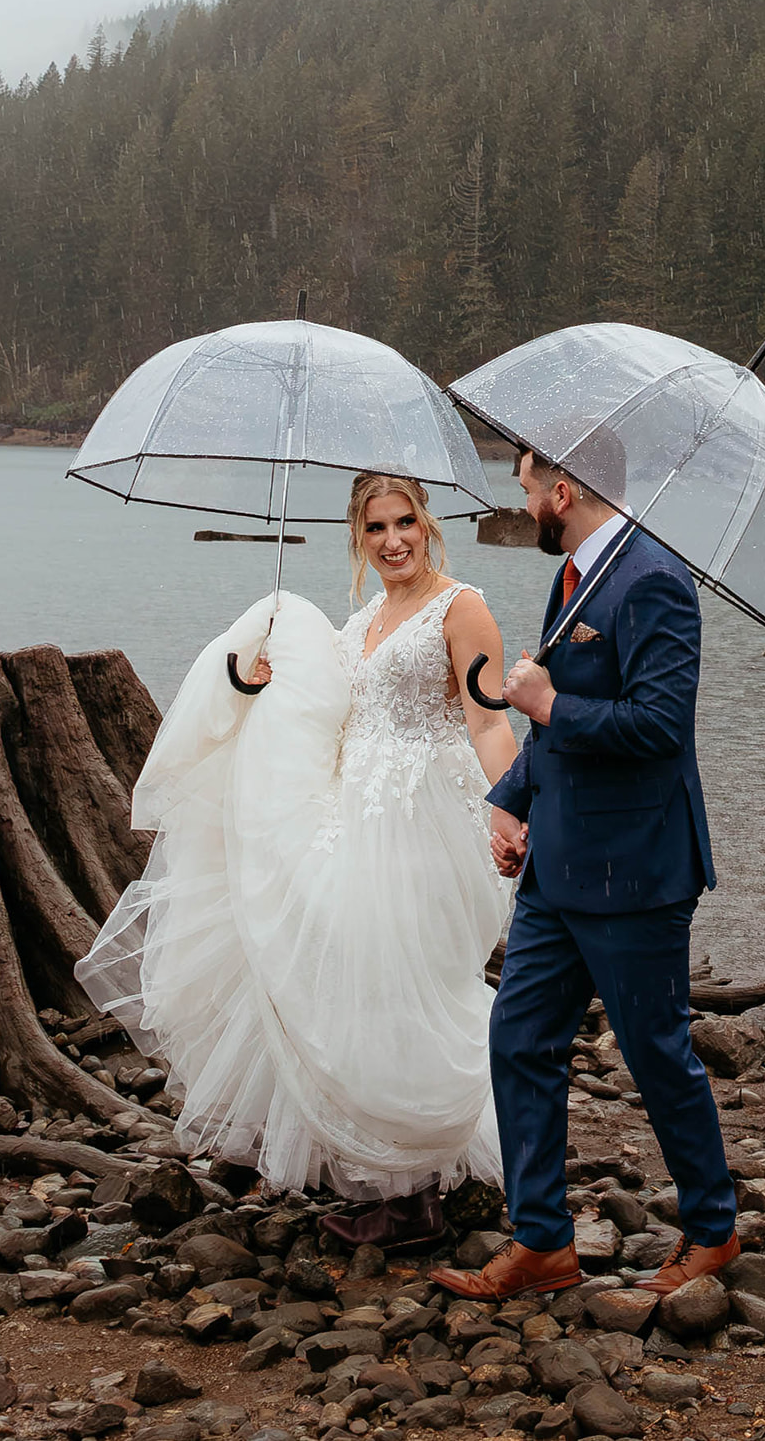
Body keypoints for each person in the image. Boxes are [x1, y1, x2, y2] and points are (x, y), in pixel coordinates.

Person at [75, 472, 518, 1248]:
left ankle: (420, 1187)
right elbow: (323, 706)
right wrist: (254, 681)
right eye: (376, 528)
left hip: (421, 822)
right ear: (358, 537)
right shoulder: (362, 621)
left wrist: (511, 804)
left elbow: (486, 723)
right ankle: (390, 1170)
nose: (393, 541)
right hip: (353, 817)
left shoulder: (462, 606)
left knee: (409, 983)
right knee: (356, 986)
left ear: (428, 523)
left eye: (405, 522)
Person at [430, 437, 740, 1302]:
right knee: (519, 1039)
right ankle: (542, 1241)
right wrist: (511, 796)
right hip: (557, 865)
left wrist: (551, 702)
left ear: (562, 489)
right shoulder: (573, 578)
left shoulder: (654, 581)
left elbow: (659, 726)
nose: (521, 497)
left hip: (636, 870)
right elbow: (550, 727)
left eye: (526, 481)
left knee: (654, 1051)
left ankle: (713, 1228)